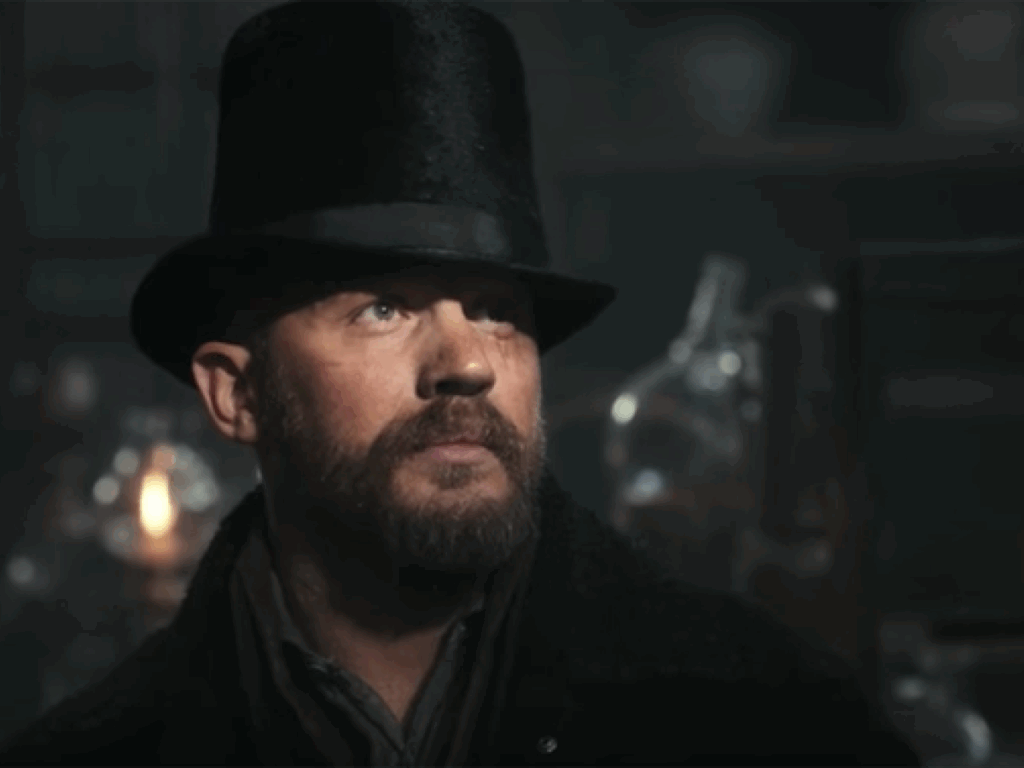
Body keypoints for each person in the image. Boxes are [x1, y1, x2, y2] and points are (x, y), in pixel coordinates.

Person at [0, 2, 919, 765]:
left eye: (495, 310)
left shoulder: (772, 722)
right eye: (383, 309)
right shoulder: (101, 751)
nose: (469, 362)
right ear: (236, 395)